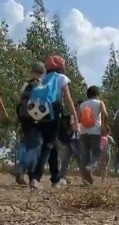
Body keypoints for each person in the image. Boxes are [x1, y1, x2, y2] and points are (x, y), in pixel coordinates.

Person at [29, 55, 79, 189]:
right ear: (61, 66)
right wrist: (75, 117)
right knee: (48, 144)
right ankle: (35, 178)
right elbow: (68, 99)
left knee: (53, 145)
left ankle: (55, 179)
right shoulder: (61, 78)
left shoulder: (43, 78)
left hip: (40, 112)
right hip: (54, 110)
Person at [12, 62, 46, 185]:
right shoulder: (42, 85)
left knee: (25, 144)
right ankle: (22, 166)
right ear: (43, 73)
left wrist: (19, 118)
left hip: (23, 119)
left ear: (32, 71)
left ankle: (25, 172)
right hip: (35, 120)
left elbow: (19, 102)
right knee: (37, 145)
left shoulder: (25, 84)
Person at [80, 85, 108, 185]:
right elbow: (105, 113)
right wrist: (104, 126)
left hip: (83, 132)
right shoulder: (100, 103)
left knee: (85, 156)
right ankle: (91, 167)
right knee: (97, 153)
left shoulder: (82, 104)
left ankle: (87, 180)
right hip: (95, 132)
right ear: (97, 94)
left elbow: (80, 118)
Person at [59, 100, 83, 184]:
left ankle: (61, 175)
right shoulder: (74, 115)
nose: (79, 108)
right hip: (74, 139)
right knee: (74, 158)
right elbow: (74, 127)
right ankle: (61, 175)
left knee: (73, 158)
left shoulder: (86, 114)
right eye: (78, 106)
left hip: (79, 139)